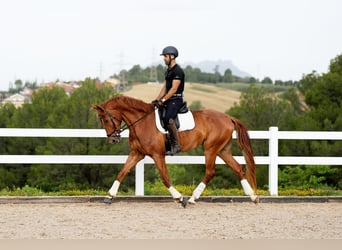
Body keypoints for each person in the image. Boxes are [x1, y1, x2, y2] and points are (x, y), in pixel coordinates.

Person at [152, 46, 185, 155]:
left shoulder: (177, 71)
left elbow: (174, 89)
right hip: (169, 99)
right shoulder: (169, 71)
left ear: (172, 56)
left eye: (165, 56)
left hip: (176, 99)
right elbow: (165, 88)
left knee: (168, 118)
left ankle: (176, 145)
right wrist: (157, 100)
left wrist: (164, 99)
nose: (164, 58)